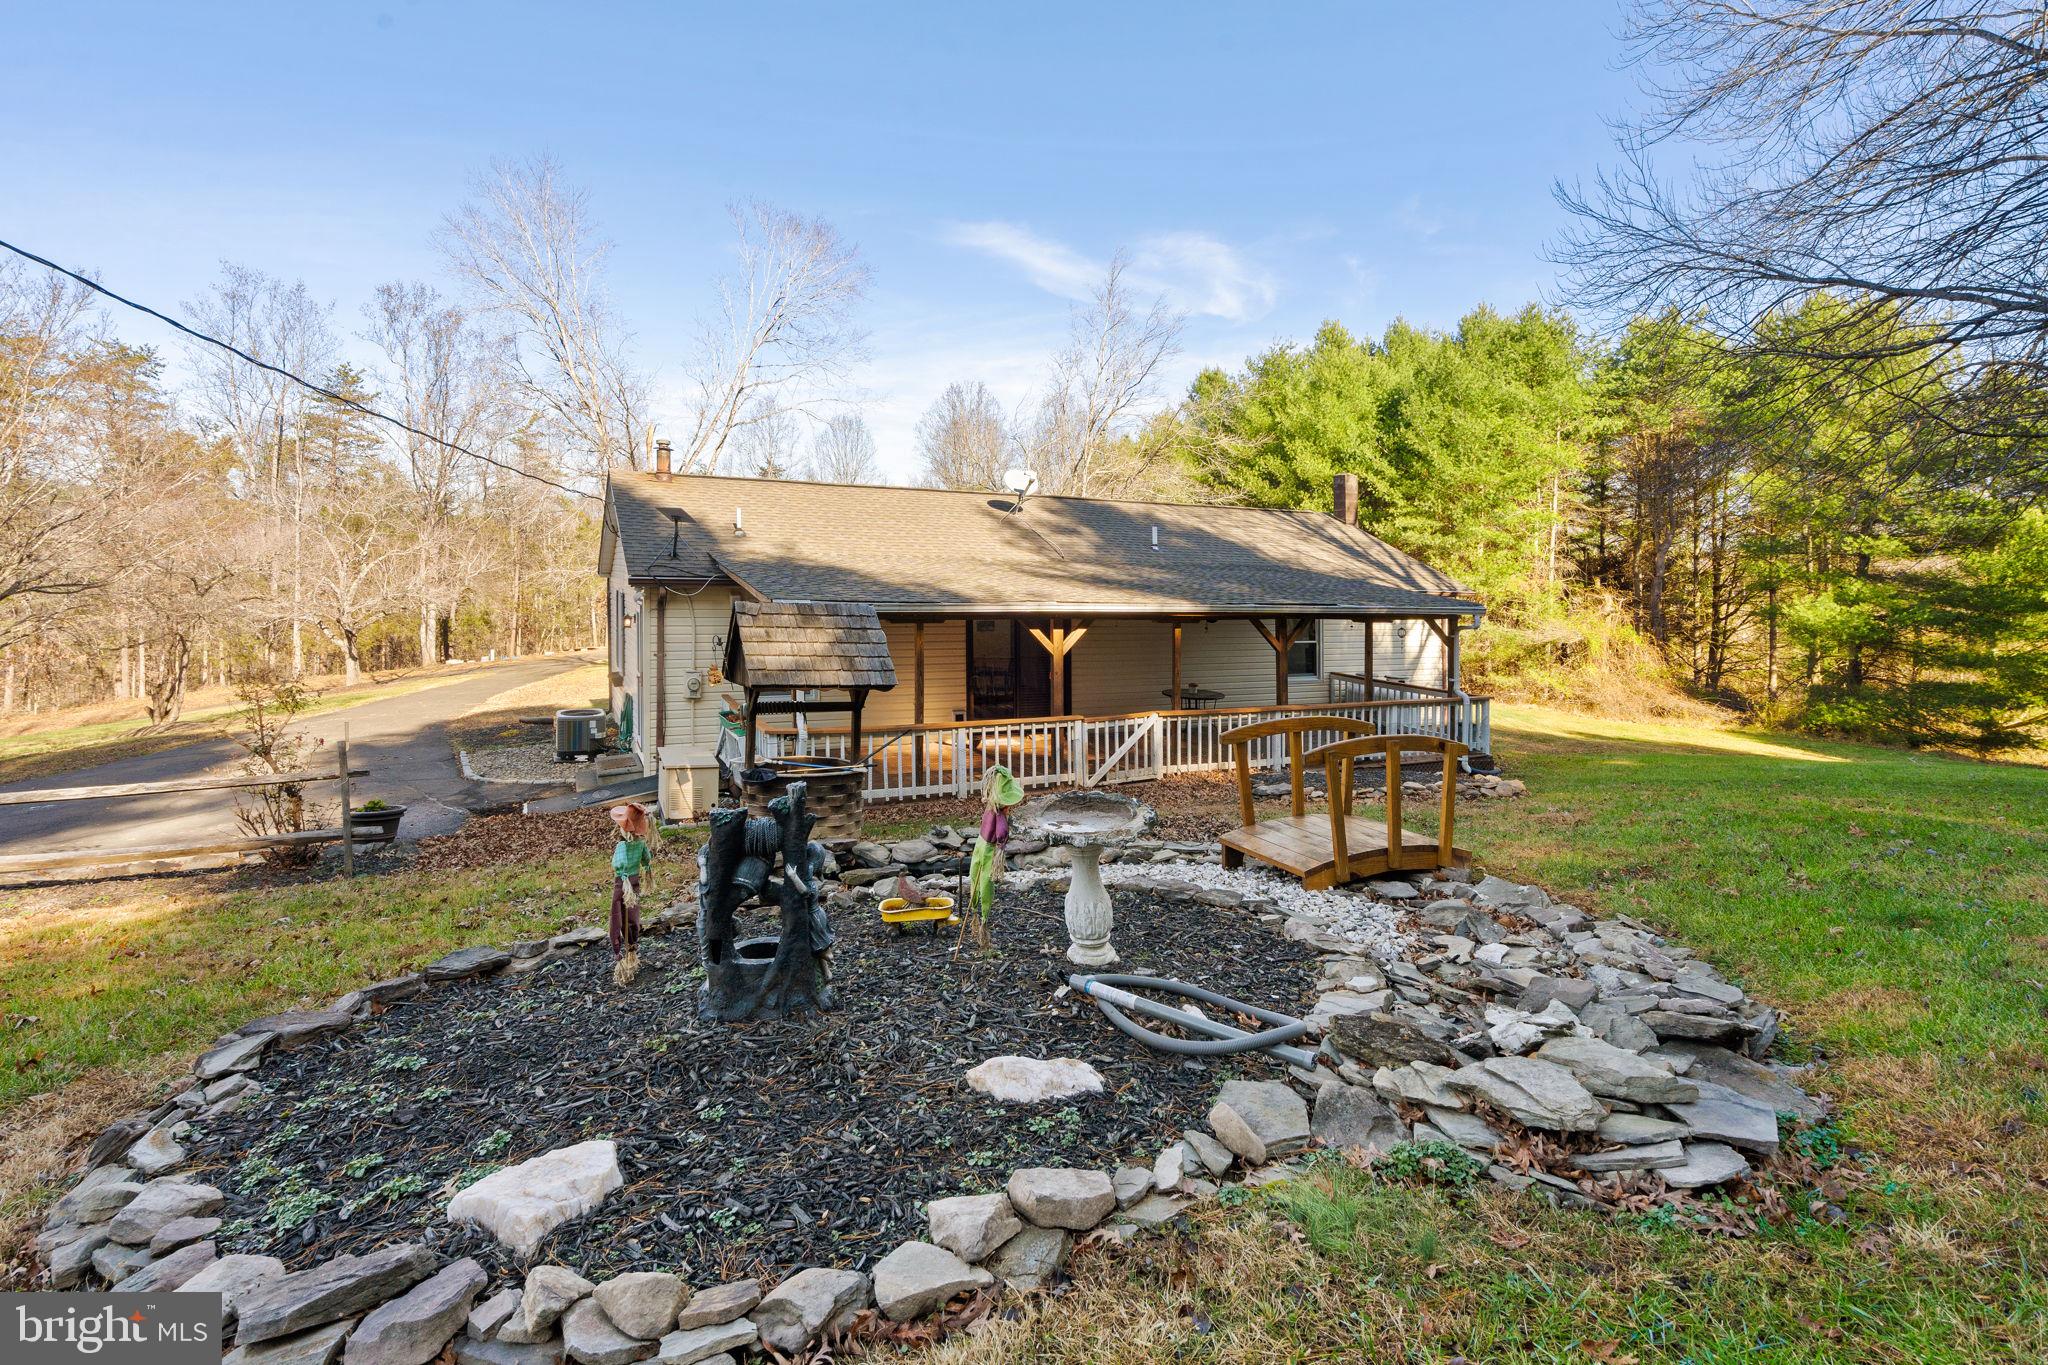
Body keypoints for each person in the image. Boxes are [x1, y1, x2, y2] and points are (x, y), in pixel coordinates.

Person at [965, 765, 1023, 947]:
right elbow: (1001, 834)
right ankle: (982, 924)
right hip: (989, 850)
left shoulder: (989, 808)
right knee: (985, 884)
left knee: (975, 879)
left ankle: (975, 915)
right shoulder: (999, 817)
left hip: (979, 845)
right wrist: (1001, 849)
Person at [608, 802, 658, 984]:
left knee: (617, 915)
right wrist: (646, 869)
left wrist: (623, 877)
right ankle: (632, 949)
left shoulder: (622, 847)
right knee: (632, 915)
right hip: (634, 883)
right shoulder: (640, 844)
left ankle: (619, 955)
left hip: (622, 885)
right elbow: (647, 860)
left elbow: (617, 864)